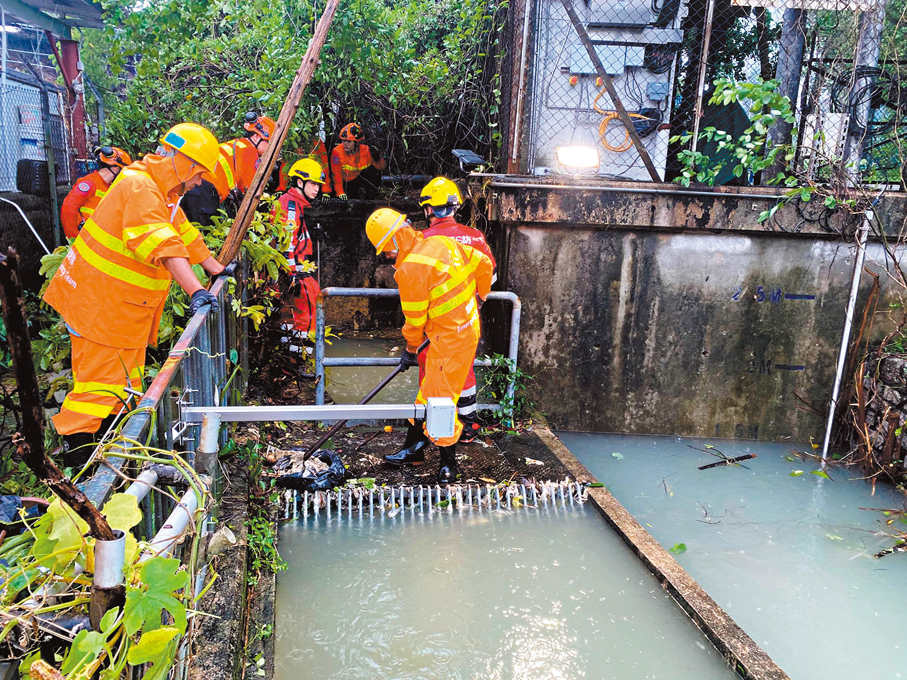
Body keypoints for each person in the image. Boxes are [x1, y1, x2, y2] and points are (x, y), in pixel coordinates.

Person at [43, 122, 228, 467]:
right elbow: (162, 241)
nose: (199, 182)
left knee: (122, 387)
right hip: (103, 309)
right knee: (97, 390)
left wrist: (213, 267)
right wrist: (197, 289)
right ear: (185, 163)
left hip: (119, 311)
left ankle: (105, 459)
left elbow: (182, 232)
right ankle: (79, 469)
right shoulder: (140, 186)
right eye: (200, 173)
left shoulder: (161, 192)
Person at [365, 208, 493, 483]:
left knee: (440, 402)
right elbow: (484, 263)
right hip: (464, 331)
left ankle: (449, 465)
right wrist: (480, 296)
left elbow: (414, 323)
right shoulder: (442, 242)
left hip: (450, 343)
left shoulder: (410, 269)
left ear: (396, 240)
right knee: (429, 393)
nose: (388, 257)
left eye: (387, 251)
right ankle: (414, 448)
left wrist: (410, 351)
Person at [418, 176, 497, 443]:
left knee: (432, 372)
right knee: (464, 370)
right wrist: (479, 299)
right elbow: (489, 273)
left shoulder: (423, 240)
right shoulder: (475, 236)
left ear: (428, 209)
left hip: (436, 323)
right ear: (455, 206)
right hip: (469, 319)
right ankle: (469, 422)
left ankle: (434, 427)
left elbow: (414, 286)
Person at [273, 158, 326, 359]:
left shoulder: (292, 203)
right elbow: (287, 243)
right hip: (292, 271)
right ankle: (299, 360)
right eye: (313, 184)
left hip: (286, 271)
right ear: (300, 182)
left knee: (291, 316)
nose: (317, 190)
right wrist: (292, 275)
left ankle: (290, 359)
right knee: (310, 312)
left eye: (318, 185)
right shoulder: (291, 207)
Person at [182, 112, 276, 225]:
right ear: (256, 137)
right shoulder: (249, 152)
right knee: (205, 232)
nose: (271, 148)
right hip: (204, 191)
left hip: (190, 185)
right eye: (269, 143)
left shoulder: (237, 145)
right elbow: (250, 193)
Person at [60, 146, 133, 239]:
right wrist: (74, 237)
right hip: (83, 240)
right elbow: (68, 207)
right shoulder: (90, 183)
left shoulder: (109, 187)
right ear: (116, 169)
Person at [327, 123, 387, 202]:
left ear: (357, 142)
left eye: (348, 141)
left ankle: (370, 199)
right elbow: (336, 175)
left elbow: (381, 168)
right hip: (344, 182)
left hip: (356, 180)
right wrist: (340, 192)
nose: (345, 144)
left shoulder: (366, 151)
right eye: (343, 141)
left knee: (373, 172)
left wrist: (378, 158)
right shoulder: (337, 152)